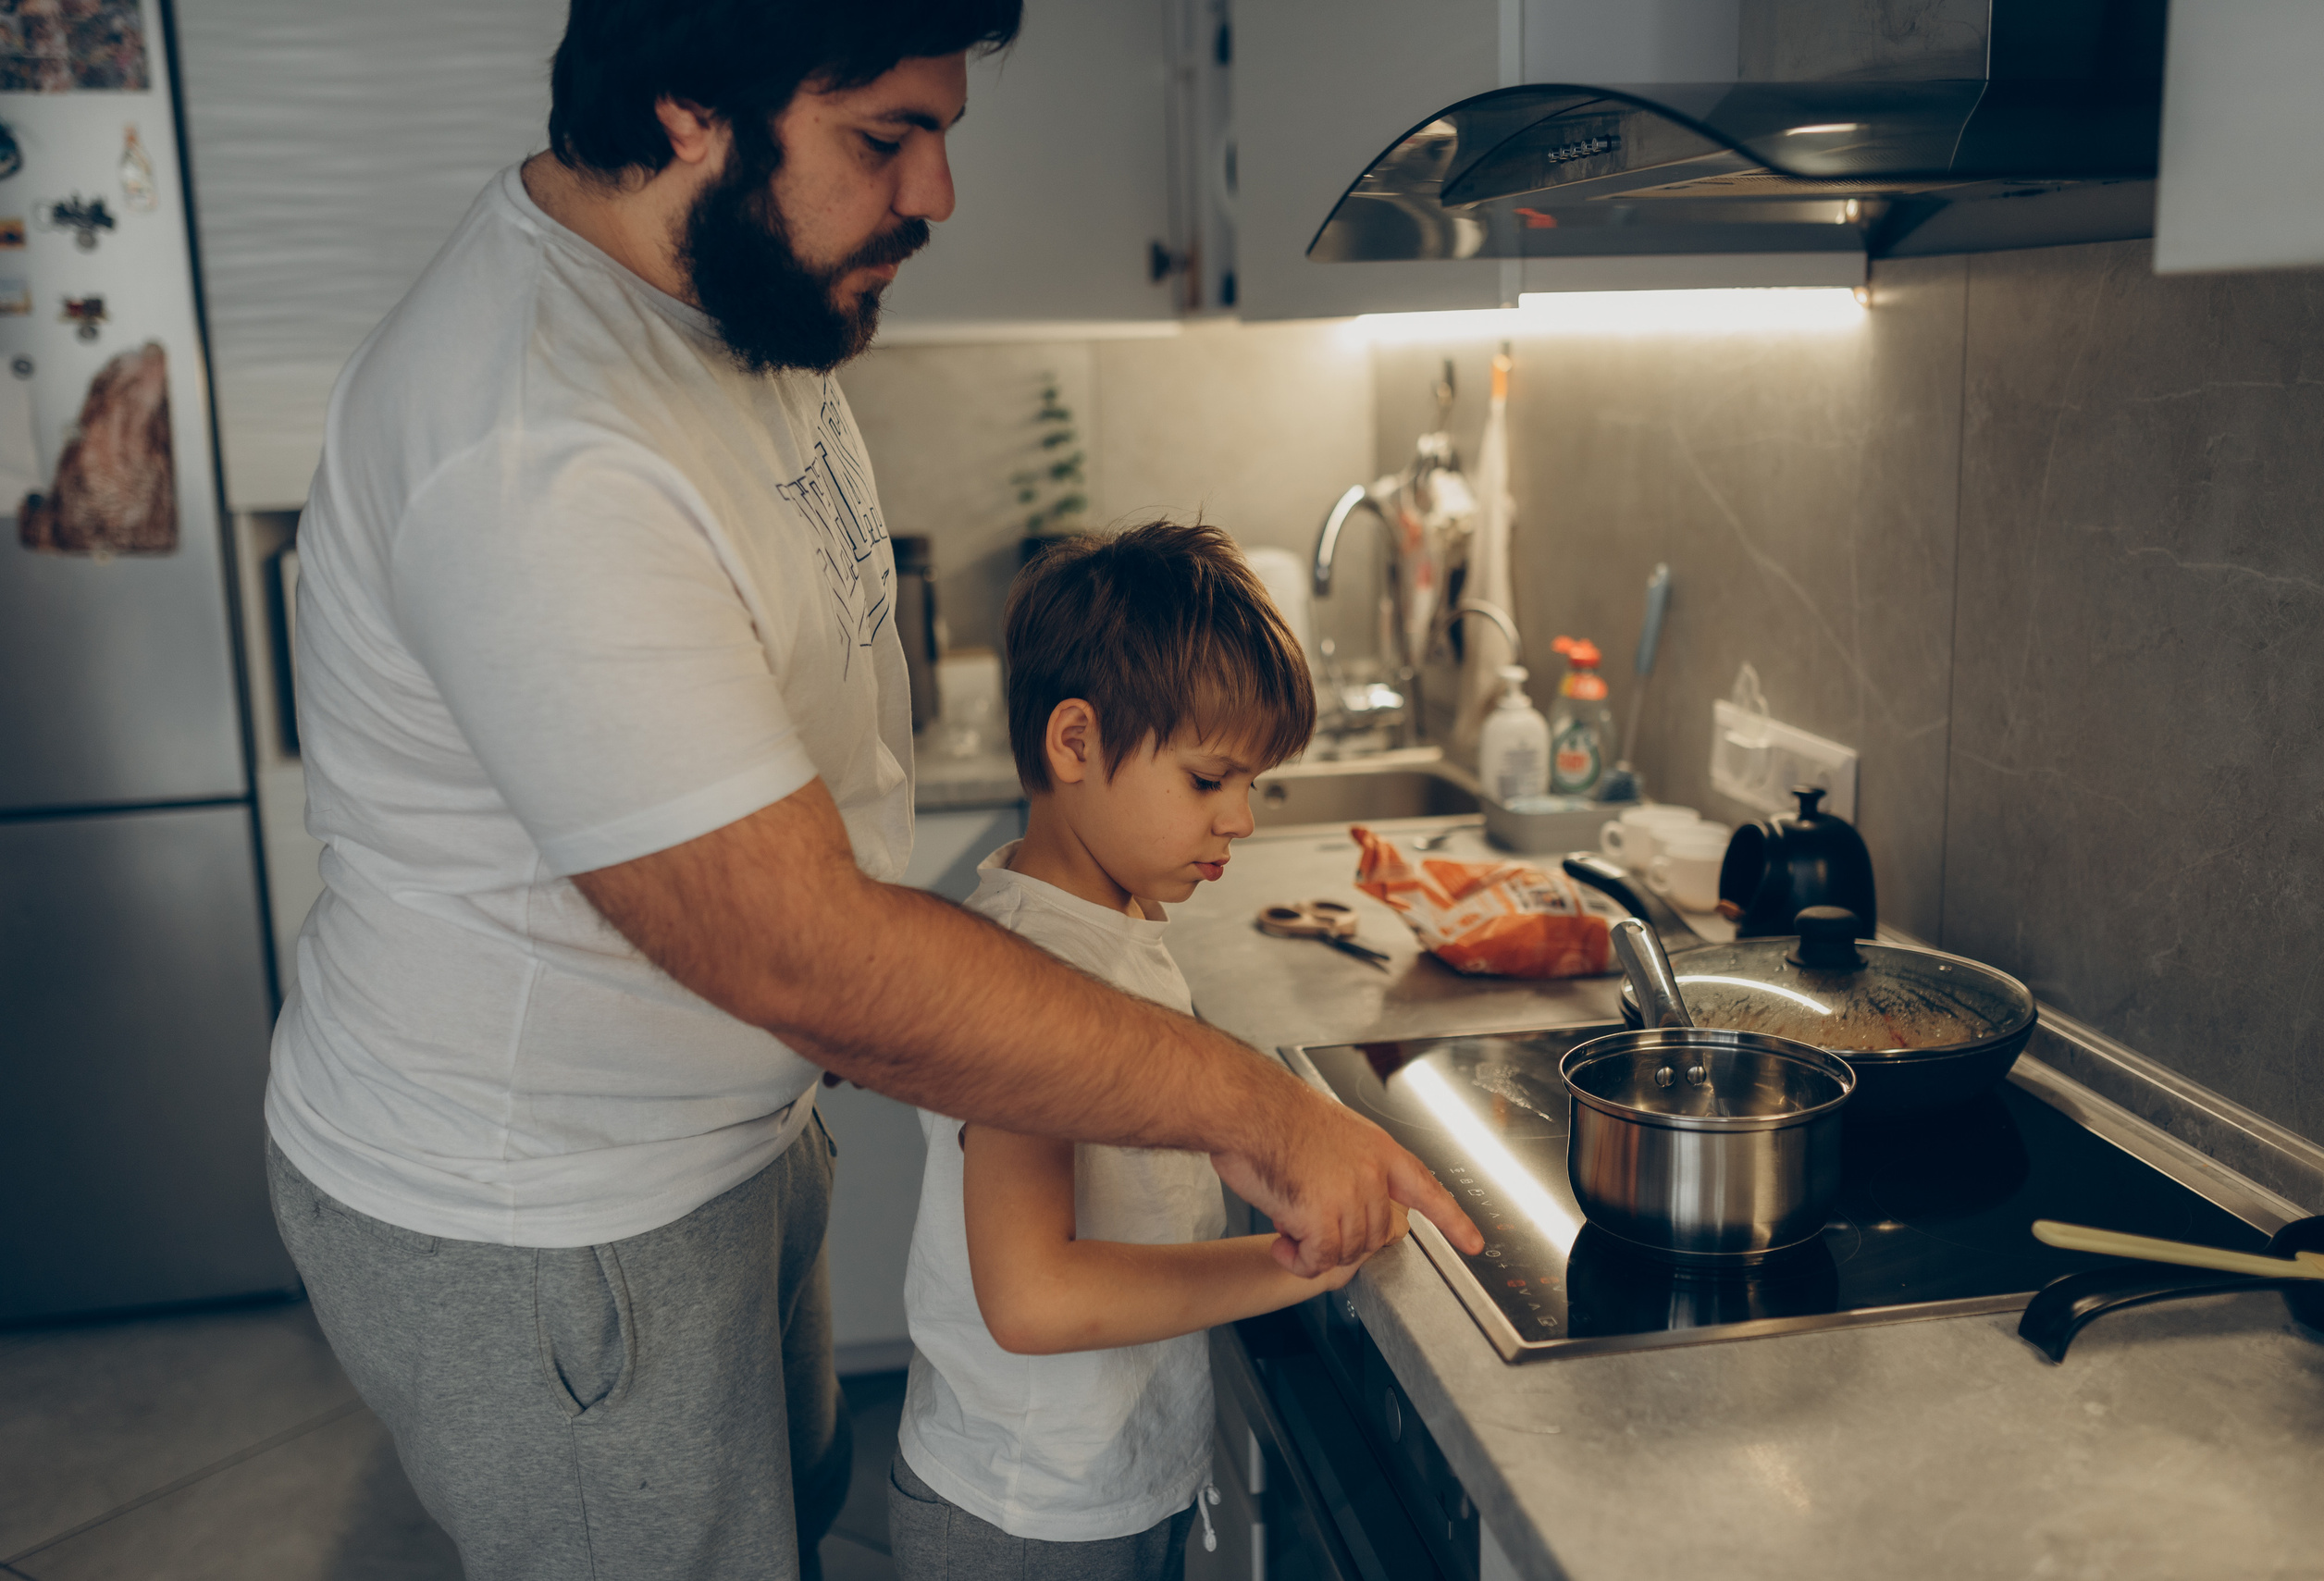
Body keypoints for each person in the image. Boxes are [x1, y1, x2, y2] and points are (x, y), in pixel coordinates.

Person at [259, 2, 1482, 1577]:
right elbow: (803, 952)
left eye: (944, 134)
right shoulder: (533, 444)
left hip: (718, 1146)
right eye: (883, 139)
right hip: (551, 1216)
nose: (936, 196)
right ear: (691, 105)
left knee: (786, 1508)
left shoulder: (732, 295)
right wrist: (1256, 1111)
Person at [888, 523, 1407, 1581]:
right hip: (1021, 1520)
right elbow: (1033, 1297)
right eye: (1211, 779)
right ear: (1074, 743)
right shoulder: (1032, 973)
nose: (1243, 820)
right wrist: (1291, 1266)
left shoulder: (1107, 926)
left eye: (1251, 784)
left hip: (1108, 1485)